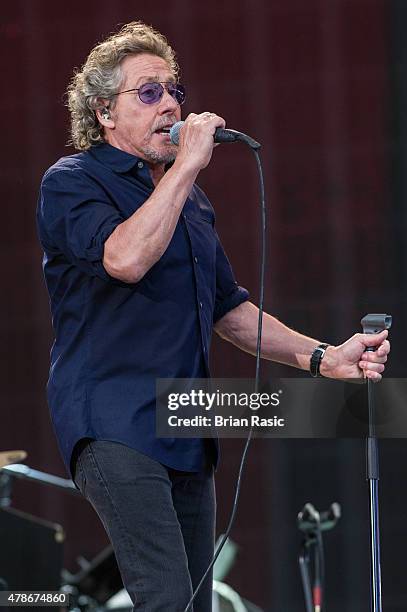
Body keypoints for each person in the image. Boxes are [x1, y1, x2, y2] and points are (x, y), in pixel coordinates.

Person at [36, 21, 390, 611]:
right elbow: (123, 258)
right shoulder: (73, 181)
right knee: (166, 599)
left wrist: (324, 357)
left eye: (175, 91)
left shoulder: (190, 202)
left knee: (197, 603)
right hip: (115, 421)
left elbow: (230, 309)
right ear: (103, 111)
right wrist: (186, 169)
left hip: (186, 424)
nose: (171, 104)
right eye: (148, 92)